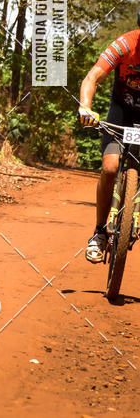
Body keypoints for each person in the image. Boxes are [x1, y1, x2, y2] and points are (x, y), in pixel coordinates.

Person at [78, 14, 140, 263]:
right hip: (121, 114)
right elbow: (92, 77)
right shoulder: (125, 44)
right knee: (111, 167)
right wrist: (85, 106)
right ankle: (99, 232)